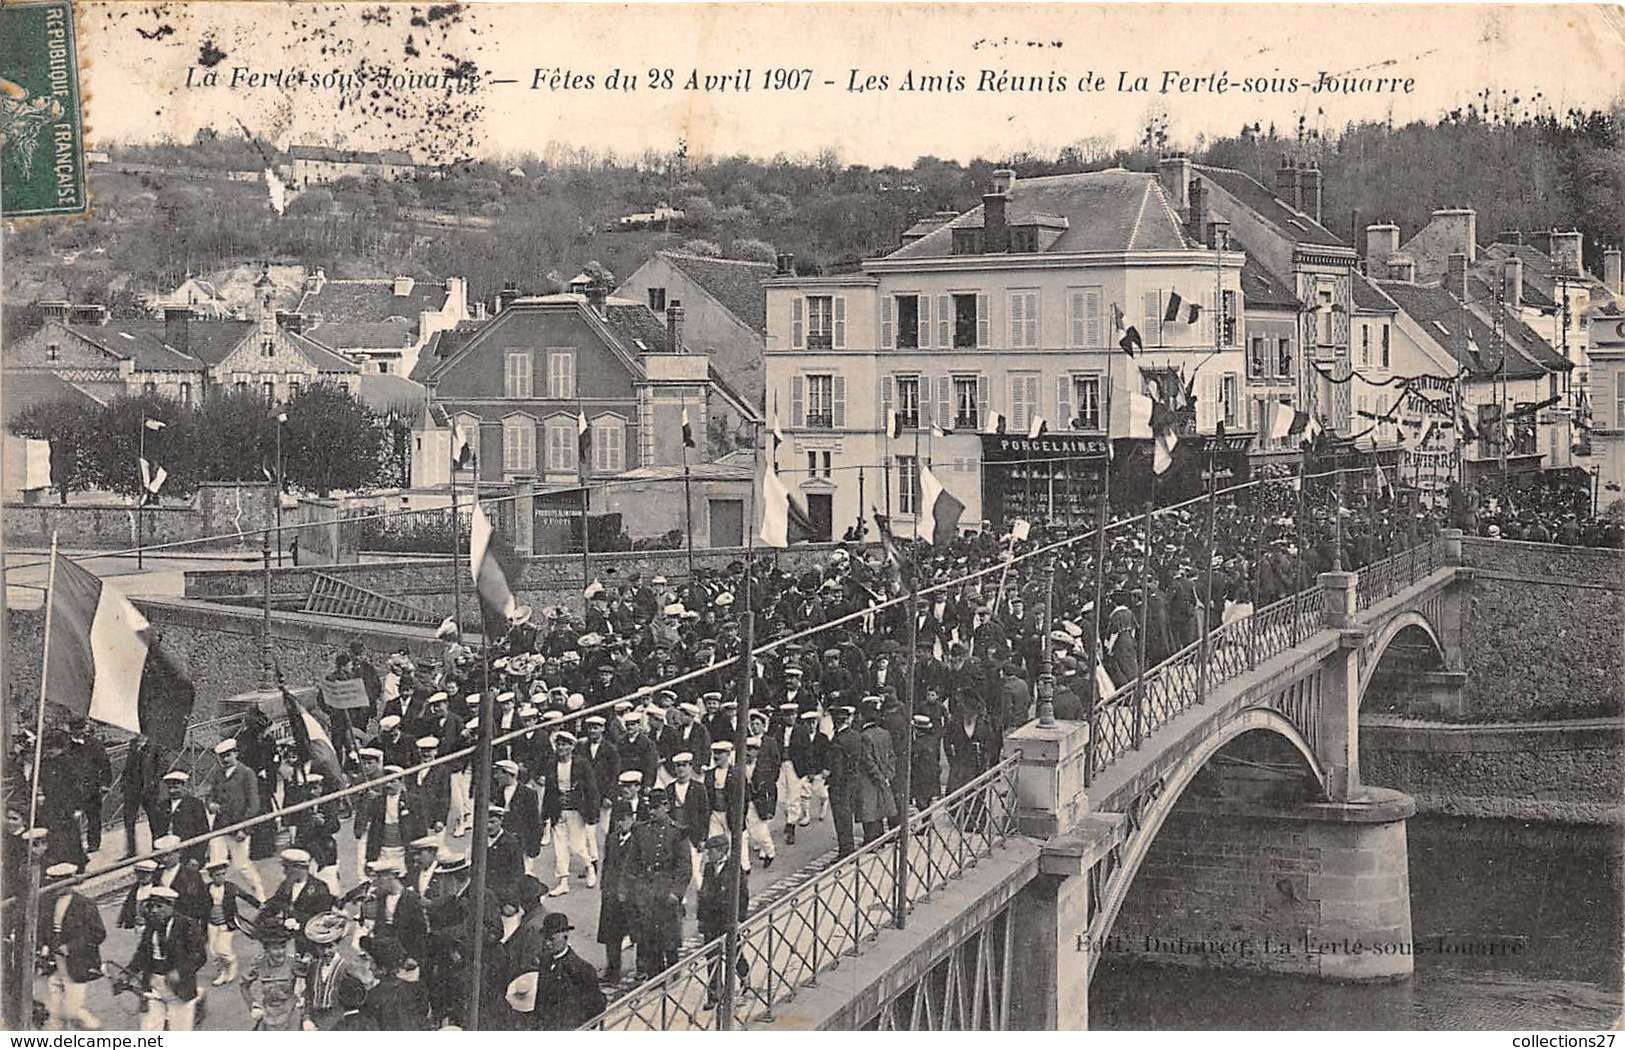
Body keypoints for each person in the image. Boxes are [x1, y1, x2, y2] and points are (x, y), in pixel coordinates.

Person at [123, 886, 206, 1031]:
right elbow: (142, 953)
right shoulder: (151, 925)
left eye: (159, 906)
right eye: (151, 906)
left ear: (171, 906)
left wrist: (179, 972)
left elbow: (199, 956)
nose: (154, 910)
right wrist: (128, 971)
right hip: (153, 984)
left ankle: (198, 996)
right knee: (149, 1031)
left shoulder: (187, 925)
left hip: (179, 987)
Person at [507, 912, 606, 1029]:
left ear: (565, 936)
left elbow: (596, 1006)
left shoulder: (582, 969)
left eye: (552, 939)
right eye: (545, 938)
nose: (547, 943)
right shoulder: (545, 960)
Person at [628, 787, 688, 977]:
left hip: (666, 888)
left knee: (669, 936)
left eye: (656, 808)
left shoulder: (677, 833)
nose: (652, 812)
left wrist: (676, 892)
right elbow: (632, 862)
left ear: (666, 806)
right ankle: (655, 976)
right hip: (647, 889)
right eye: (650, 808)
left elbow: (684, 866)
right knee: (649, 936)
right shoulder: (641, 831)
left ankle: (673, 970)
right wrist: (636, 887)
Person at [39, 861, 105, 1031]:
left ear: (70, 881)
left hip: (77, 963)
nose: (55, 886)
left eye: (59, 881)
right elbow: (42, 929)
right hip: (53, 963)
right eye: (53, 882)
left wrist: (71, 947)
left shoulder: (84, 904)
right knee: (54, 1012)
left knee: (72, 1010)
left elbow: (97, 934)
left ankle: (95, 1029)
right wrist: (43, 947)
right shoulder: (47, 903)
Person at [542, 731, 601, 896]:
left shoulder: (581, 764)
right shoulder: (552, 764)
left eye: (565, 744)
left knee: (576, 845)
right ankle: (563, 881)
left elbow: (591, 789)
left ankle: (589, 867)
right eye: (559, 744)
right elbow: (549, 790)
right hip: (557, 810)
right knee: (560, 847)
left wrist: (592, 812)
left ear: (572, 746)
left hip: (577, 809)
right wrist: (545, 813)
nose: (562, 748)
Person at [696, 834, 750, 1011]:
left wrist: (739, 918)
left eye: (711, 852)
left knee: (734, 954)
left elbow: (743, 895)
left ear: (721, 852)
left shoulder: (735, 868)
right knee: (711, 958)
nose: (708, 855)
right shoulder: (709, 868)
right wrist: (701, 919)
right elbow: (703, 895)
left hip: (727, 920)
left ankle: (744, 977)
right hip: (711, 922)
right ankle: (714, 995)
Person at [209, 738, 266, 899]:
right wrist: (211, 805)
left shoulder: (246, 773)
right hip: (220, 826)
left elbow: (254, 804)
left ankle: (259, 893)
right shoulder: (217, 774)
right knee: (216, 864)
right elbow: (210, 795)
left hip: (238, 827)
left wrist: (245, 828)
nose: (225, 759)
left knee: (241, 865)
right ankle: (218, 899)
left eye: (228, 755)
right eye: (222, 757)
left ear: (236, 754)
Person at [241, 917, 303, 1031]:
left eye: (283, 947)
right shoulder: (258, 964)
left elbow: (312, 980)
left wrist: (304, 1007)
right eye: (275, 948)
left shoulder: (294, 963)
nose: (281, 952)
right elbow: (244, 985)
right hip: (267, 1014)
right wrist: (253, 1005)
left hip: (291, 1014)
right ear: (266, 949)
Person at [855, 707, 897, 844]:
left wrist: (878, 777)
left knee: (869, 811)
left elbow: (868, 761)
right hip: (884, 777)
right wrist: (888, 775)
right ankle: (880, 838)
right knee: (880, 808)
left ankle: (872, 841)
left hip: (869, 780)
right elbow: (892, 756)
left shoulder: (864, 736)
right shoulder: (885, 733)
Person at [118, 733, 164, 858]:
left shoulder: (154, 744)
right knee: (129, 820)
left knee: (154, 819)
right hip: (132, 789)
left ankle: (157, 849)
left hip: (148, 790)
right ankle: (131, 851)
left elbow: (162, 766)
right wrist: (123, 782)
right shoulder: (133, 744)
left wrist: (154, 781)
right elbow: (128, 765)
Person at [198, 859, 243, 986]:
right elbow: (199, 903)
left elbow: (246, 896)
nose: (221, 877)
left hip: (226, 923)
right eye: (217, 875)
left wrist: (260, 905)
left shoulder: (230, 887)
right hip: (211, 923)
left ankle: (232, 963)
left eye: (223, 874)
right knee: (214, 950)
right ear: (211, 876)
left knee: (223, 948)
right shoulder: (206, 888)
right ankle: (222, 972)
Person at [825, 706, 861, 858]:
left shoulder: (838, 741)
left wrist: (830, 780)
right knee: (848, 816)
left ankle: (845, 850)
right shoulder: (855, 735)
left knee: (841, 818)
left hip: (840, 785)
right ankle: (848, 847)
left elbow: (838, 768)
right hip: (854, 780)